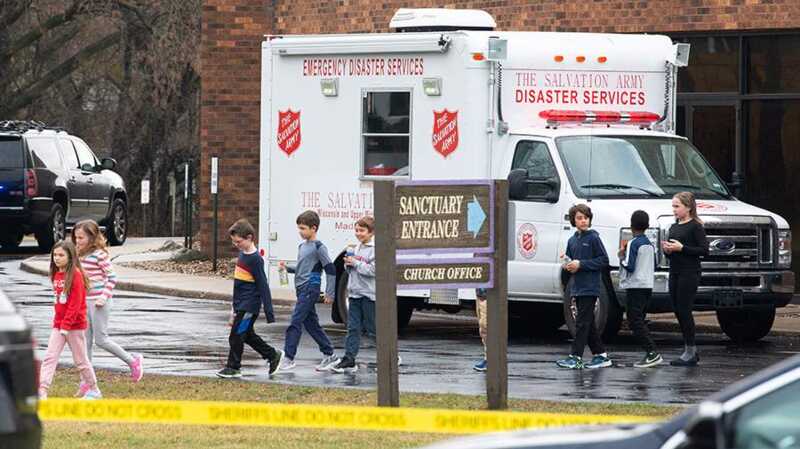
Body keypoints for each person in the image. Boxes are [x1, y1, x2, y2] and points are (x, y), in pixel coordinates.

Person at [73, 220, 143, 393]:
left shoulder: (99, 255)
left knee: (101, 340)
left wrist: (103, 298)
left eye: (81, 237)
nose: (78, 241)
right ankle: (86, 380)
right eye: (75, 237)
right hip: (84, 302)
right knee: (85, 342)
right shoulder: (77, 254)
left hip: (99, 303)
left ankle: (133, 361)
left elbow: (112, 278)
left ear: (91, 237)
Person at [217, 219, 284, 378]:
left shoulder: (255, 259)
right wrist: (233, 310)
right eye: (234, 242)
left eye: (238, 241)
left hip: (249, 307)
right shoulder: (242, 255)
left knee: (236, 335)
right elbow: (238, 287)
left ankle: (233, 367)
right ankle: (272, 355)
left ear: (249, 237)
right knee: (247, 335)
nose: (236, 245)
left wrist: (269, 312)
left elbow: (263, 286)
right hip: (241, 305)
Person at [38, 240, 101, 400]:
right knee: (50, 357)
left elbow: (75, 304)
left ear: (70, 256)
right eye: (55, 255)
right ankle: (42, 390)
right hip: (59, 325)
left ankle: (94, 389)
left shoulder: (76, 276)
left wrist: (66, 326)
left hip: (74, 326)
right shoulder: (56, 274)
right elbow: (59, 302)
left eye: (61, 255)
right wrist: (59, 324)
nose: (57, 258)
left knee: (81, 360)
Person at [278, 210, 339, 372]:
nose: (300, 232)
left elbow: (330, 268)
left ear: (314, 228)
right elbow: (302, 267)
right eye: (299, 228)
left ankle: (289, 358)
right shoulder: (302, 246)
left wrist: (330, 292)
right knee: (311, 324)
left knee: (295, 321)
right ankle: (330, 355)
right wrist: (288, 268)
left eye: (303, 228)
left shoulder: (319, 247)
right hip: (300, 289)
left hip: (310, 288)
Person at [556, 204, 612, 370]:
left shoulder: (594, 238)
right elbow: (571, 261)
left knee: (582, 323)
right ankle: (600, 355)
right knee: (588, 323)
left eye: (586, 218)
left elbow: (603, 260)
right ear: (573, 220)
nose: (583, 221)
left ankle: (576, 356)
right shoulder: (572, 240)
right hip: (577, 287)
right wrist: (568, 264)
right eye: (579, 218)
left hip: (591, 287)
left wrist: (581, 264)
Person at [662, 192, 708, 367]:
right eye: (673, 206)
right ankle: (689, 349)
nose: (674, 210)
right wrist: (668, 249)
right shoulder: (674, 226)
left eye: (677, 206)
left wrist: (682, 248)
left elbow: (704, 250)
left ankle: (690, 349)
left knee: (684, 309)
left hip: (690, 273)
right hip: (675, 271)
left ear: (688, 207)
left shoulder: (695, 226)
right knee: (676, 308)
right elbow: (675, 249)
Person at [331, 216, 376, 373]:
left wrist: (356, 263)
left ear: (371, 232)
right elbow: (352, 270)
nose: (358, 233)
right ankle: (349, 358)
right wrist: (348, 264)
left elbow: (373, 271)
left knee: (373, 329)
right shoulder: (355, 248)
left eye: (362, 231)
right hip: (354, 293)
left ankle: (389, 355)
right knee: (353, 328)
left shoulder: (374, 249)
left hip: (369, 295)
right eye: (356, 230)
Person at [619, 211, 662, 368]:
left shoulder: (633, 243)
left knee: (634, 320)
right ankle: (650, 352)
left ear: (631, 226)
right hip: (647, 285)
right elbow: (655, 264)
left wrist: (621, 256)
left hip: (635, 285)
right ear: (647, 226)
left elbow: (629, 265)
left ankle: (652, 352)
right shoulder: (649, 244)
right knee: (640, 319)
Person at [472, 288, 488, 372]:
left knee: (487, 327)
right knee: (483, 329)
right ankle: (487, 359)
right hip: (481, 294)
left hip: (489, 295)